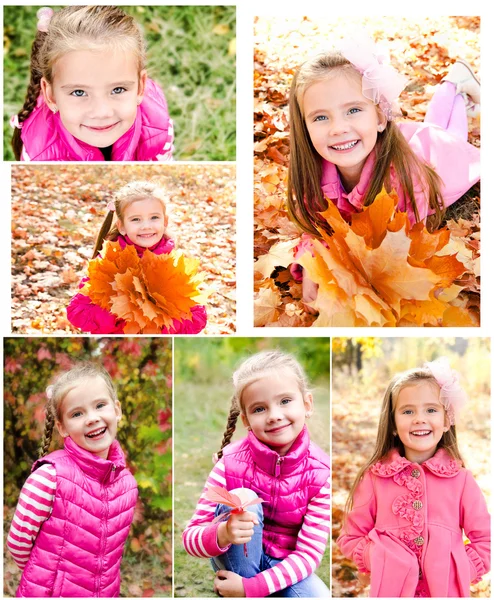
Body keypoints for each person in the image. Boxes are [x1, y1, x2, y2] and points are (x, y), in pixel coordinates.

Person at [287, 34, 480, 306]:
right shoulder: (313, 176)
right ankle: (453, 85)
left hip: (435, 161)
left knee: (453, 136)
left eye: (353, 110)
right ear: (304, 128)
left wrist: (351, 279)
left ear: (379, 117)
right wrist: (312, 263)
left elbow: (400, 248)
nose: (338, 128)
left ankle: (454, 87)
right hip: (406, 146)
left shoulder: (405, 180)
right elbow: (319, 230)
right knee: (436, 125)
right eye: (321, 117)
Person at [337, 358, 490, 597]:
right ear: (394, 424)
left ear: (446, 420)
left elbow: (485, 537)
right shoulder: (376, 478)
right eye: (408, 411)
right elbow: (351, 536)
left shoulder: (461, 481)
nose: (419, 418)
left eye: (431, 410)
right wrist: (378, 558)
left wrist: (462, 569)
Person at [182, 350, 331, 597]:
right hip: (236, 559)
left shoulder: (320, 474)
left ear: (307, 404)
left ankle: (251, 591)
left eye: (285, 401)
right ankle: (242, 585)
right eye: (260, 408)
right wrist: (223, 533)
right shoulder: (229, 464)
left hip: (283, 564)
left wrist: (252, 588)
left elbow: (308, 555)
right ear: (246, 419)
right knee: (242, 498)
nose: (274, 416)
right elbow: (190, 537)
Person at [6, 363, 138, 597]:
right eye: (77, 414)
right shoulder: (49, 478)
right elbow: (18, 543)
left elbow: (110, 558)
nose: (92, 418)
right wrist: (47, 577)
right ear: (62, 427)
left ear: (117, 410)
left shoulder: (127, 485)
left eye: (100, 405)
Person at [11, 6, 174, 161]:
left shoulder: (157, 125)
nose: (101, 112)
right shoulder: (39, 152)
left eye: (118, 89)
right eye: (79, 92)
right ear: (51, 95)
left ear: (140, 87)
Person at [67, 181, 207, 334]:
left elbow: (198, 317)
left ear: (165, 221)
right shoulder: (108, 262)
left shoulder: (173, 264)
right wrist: (119, 311)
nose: (146, 226)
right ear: (121, 226)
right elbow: (77, 312)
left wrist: (163, 323)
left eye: (154, 217)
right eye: (135, 219)